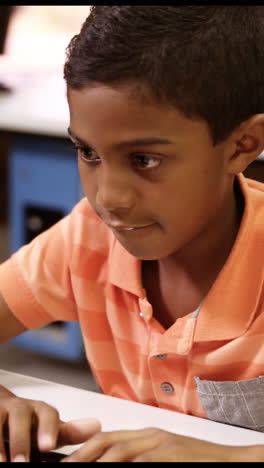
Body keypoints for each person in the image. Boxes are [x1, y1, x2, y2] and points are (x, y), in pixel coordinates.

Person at [0, 5, 263, 462]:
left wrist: (227, 457)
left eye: (144, 159)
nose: (109, 197)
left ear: (243, 145)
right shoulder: (89, 237)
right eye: (87, 152)